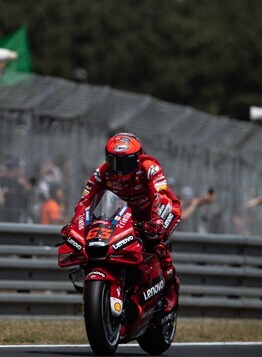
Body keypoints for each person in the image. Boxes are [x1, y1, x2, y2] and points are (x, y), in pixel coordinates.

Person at [61, 132, 182, 314]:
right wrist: (75, 224)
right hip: (130, 214)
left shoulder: (149, 167)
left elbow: (160, 194)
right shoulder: (102, 172)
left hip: (161, 210)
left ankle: (170, 287)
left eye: (124, 162)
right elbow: (85, 200)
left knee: (156, 242)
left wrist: (156, 220)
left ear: (137, 158)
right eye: (113, 161)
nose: (118, 169)